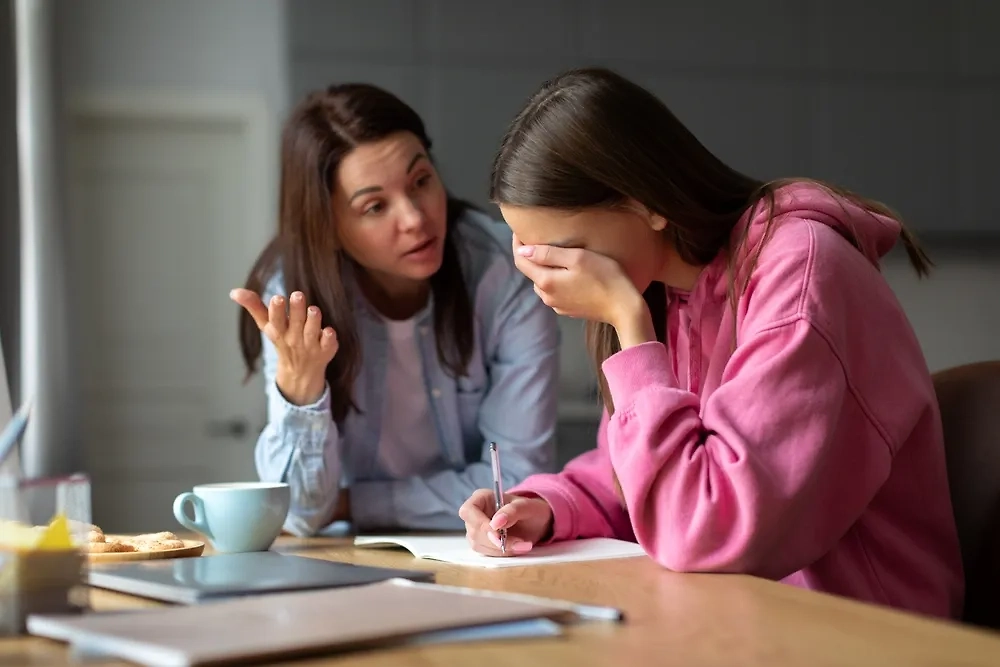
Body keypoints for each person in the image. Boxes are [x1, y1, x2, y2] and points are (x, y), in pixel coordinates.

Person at [459, 67, 964, 619]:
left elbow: (708, 527)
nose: (553, 281)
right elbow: (637, 471)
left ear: (649, 203)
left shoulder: (800, 272)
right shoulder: (669, 292)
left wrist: (629, 326)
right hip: (733, 616)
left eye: (566, 251)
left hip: (861, 628)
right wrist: (546, 506)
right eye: (534, 256)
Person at [231, 83, 559, 537]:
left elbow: (517, 483)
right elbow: (301, 513)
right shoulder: (295, 296)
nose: (415, 218)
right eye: (375, 206)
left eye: (421, 181)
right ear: (326, 227)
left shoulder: (505, 272)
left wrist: (351, 503)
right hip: (348, 558)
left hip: (475, 547)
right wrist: (301, 389)